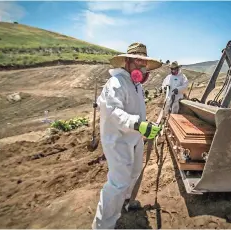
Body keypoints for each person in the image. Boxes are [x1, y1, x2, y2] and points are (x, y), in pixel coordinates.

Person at [92, 42, 162, 229]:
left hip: (134, 136)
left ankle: (124, 203)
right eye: (138, 61)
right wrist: (138, 124)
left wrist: (145, 126)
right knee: (117, 183)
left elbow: (136, 110)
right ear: (127, 61)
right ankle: (102, 225)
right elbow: (114, 112)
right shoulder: (115, 83)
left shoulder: (136, 84)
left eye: (144, 63)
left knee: (134, 172)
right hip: (117, 140)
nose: (142, 66)